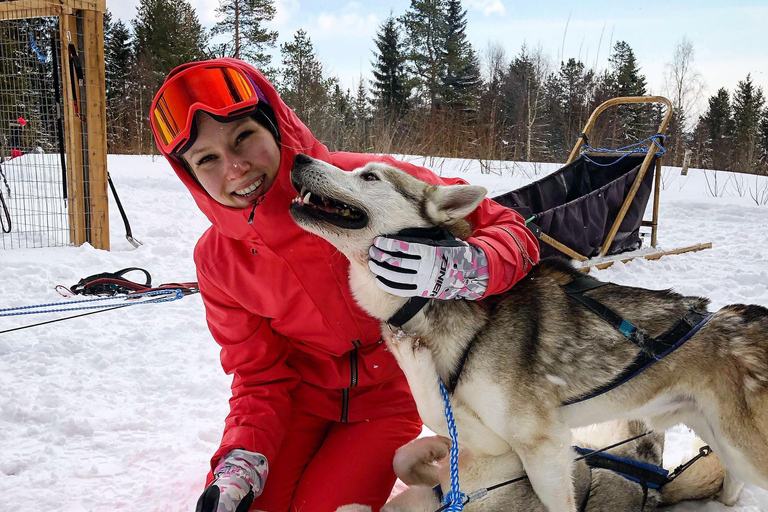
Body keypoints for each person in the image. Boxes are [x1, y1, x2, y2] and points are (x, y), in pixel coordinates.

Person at [149, 58, 540, 512]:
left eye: (244, 137)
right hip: (298, 404)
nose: (235, 168)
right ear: (190, 176)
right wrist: (242, 459)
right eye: (208, 159)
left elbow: (514, 230)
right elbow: (258, 374)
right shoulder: (217, 259)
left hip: (386, 399)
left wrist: (463, 267)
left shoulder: (366, 183)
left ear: (274, 125)